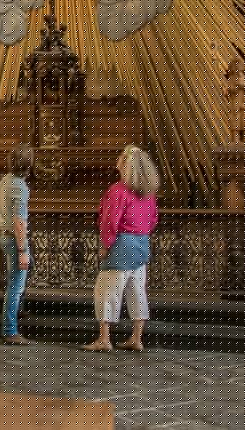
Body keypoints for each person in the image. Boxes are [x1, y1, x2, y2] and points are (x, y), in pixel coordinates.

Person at [85, 145, 160, 352]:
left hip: (122, 244)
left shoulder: (118, 191)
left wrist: (106, 246)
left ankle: (104, 338)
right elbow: (153, 219)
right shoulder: (148, 192)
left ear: (126, 165)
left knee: (107, 291)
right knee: (137, 291)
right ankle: (136, 337)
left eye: (121, 157)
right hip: (142, 244)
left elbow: (110, 221)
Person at [0, 146, 34, 344]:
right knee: (16, 286)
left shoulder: (4, 181)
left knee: (27, 267)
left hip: (3, 235)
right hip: (14, 238)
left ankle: (17, 308)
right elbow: (19, 222)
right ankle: (10, 330)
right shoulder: (20, 186)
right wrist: (22, 250)